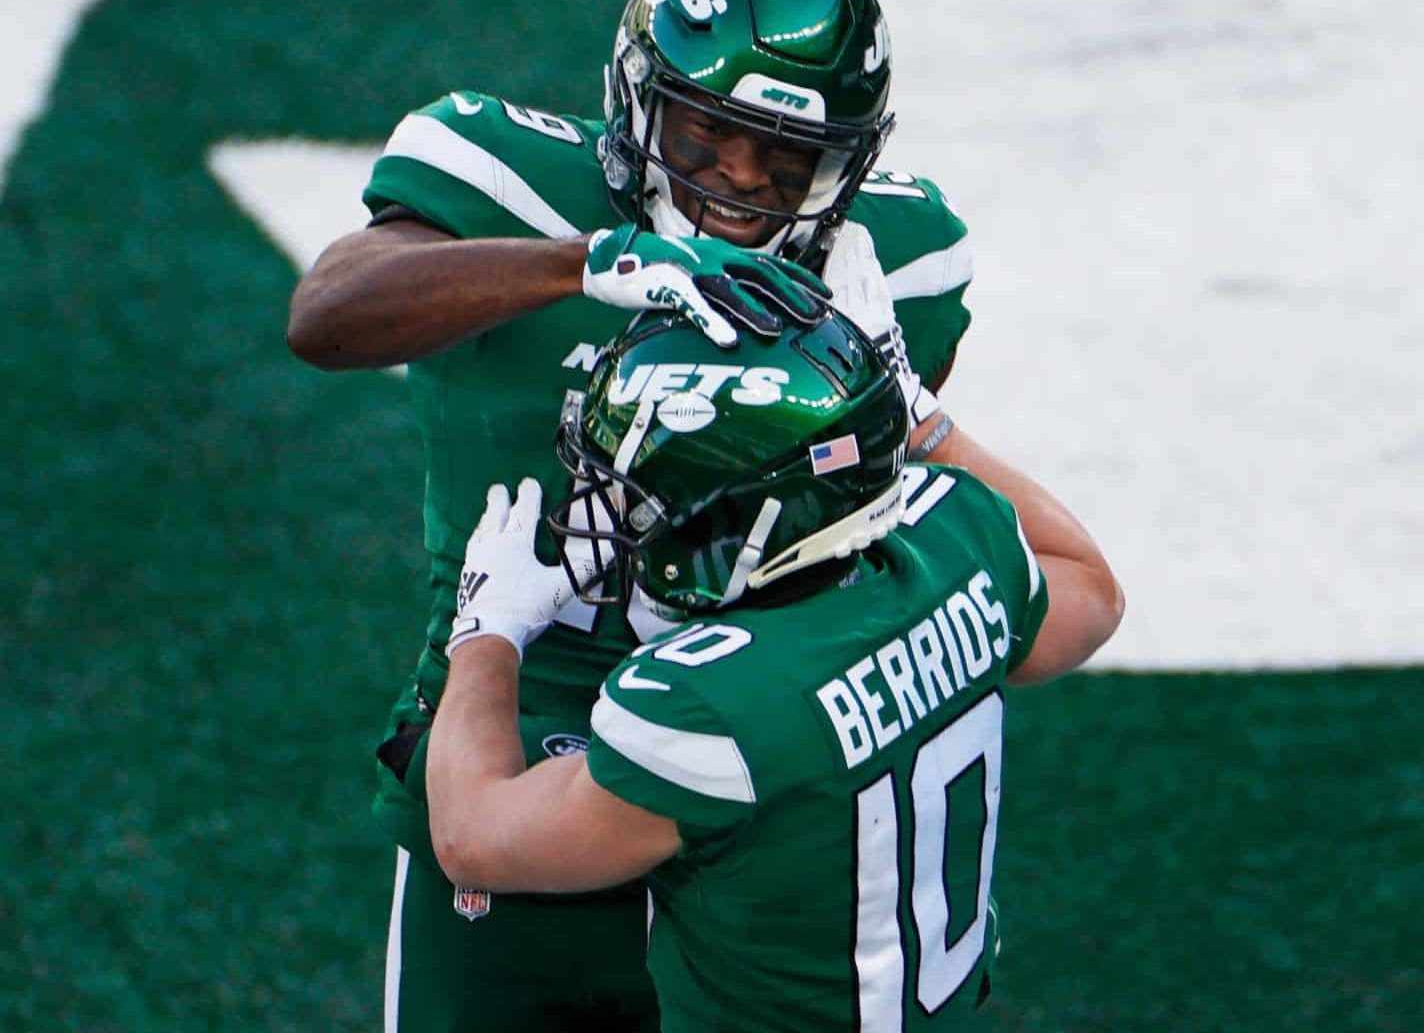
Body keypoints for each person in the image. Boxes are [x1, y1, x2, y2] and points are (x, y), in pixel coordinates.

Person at [287, 0, 978, 1032]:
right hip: (513, 749)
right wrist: (581, 265)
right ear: (638, 102)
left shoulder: (893, 261)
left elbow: (868, 507)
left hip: (752, 798)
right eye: (707, 138)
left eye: (782, 158)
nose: (737, 187)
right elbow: (326, 318)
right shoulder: (506, 179)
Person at [426, 308, 1124, 1032]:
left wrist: (486, 631)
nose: (625, 512)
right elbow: (1092, 592)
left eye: (652, 492)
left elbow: (472, 839)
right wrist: (915, 415)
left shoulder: (708, 704)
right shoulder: (961, 541)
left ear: (744, 521)